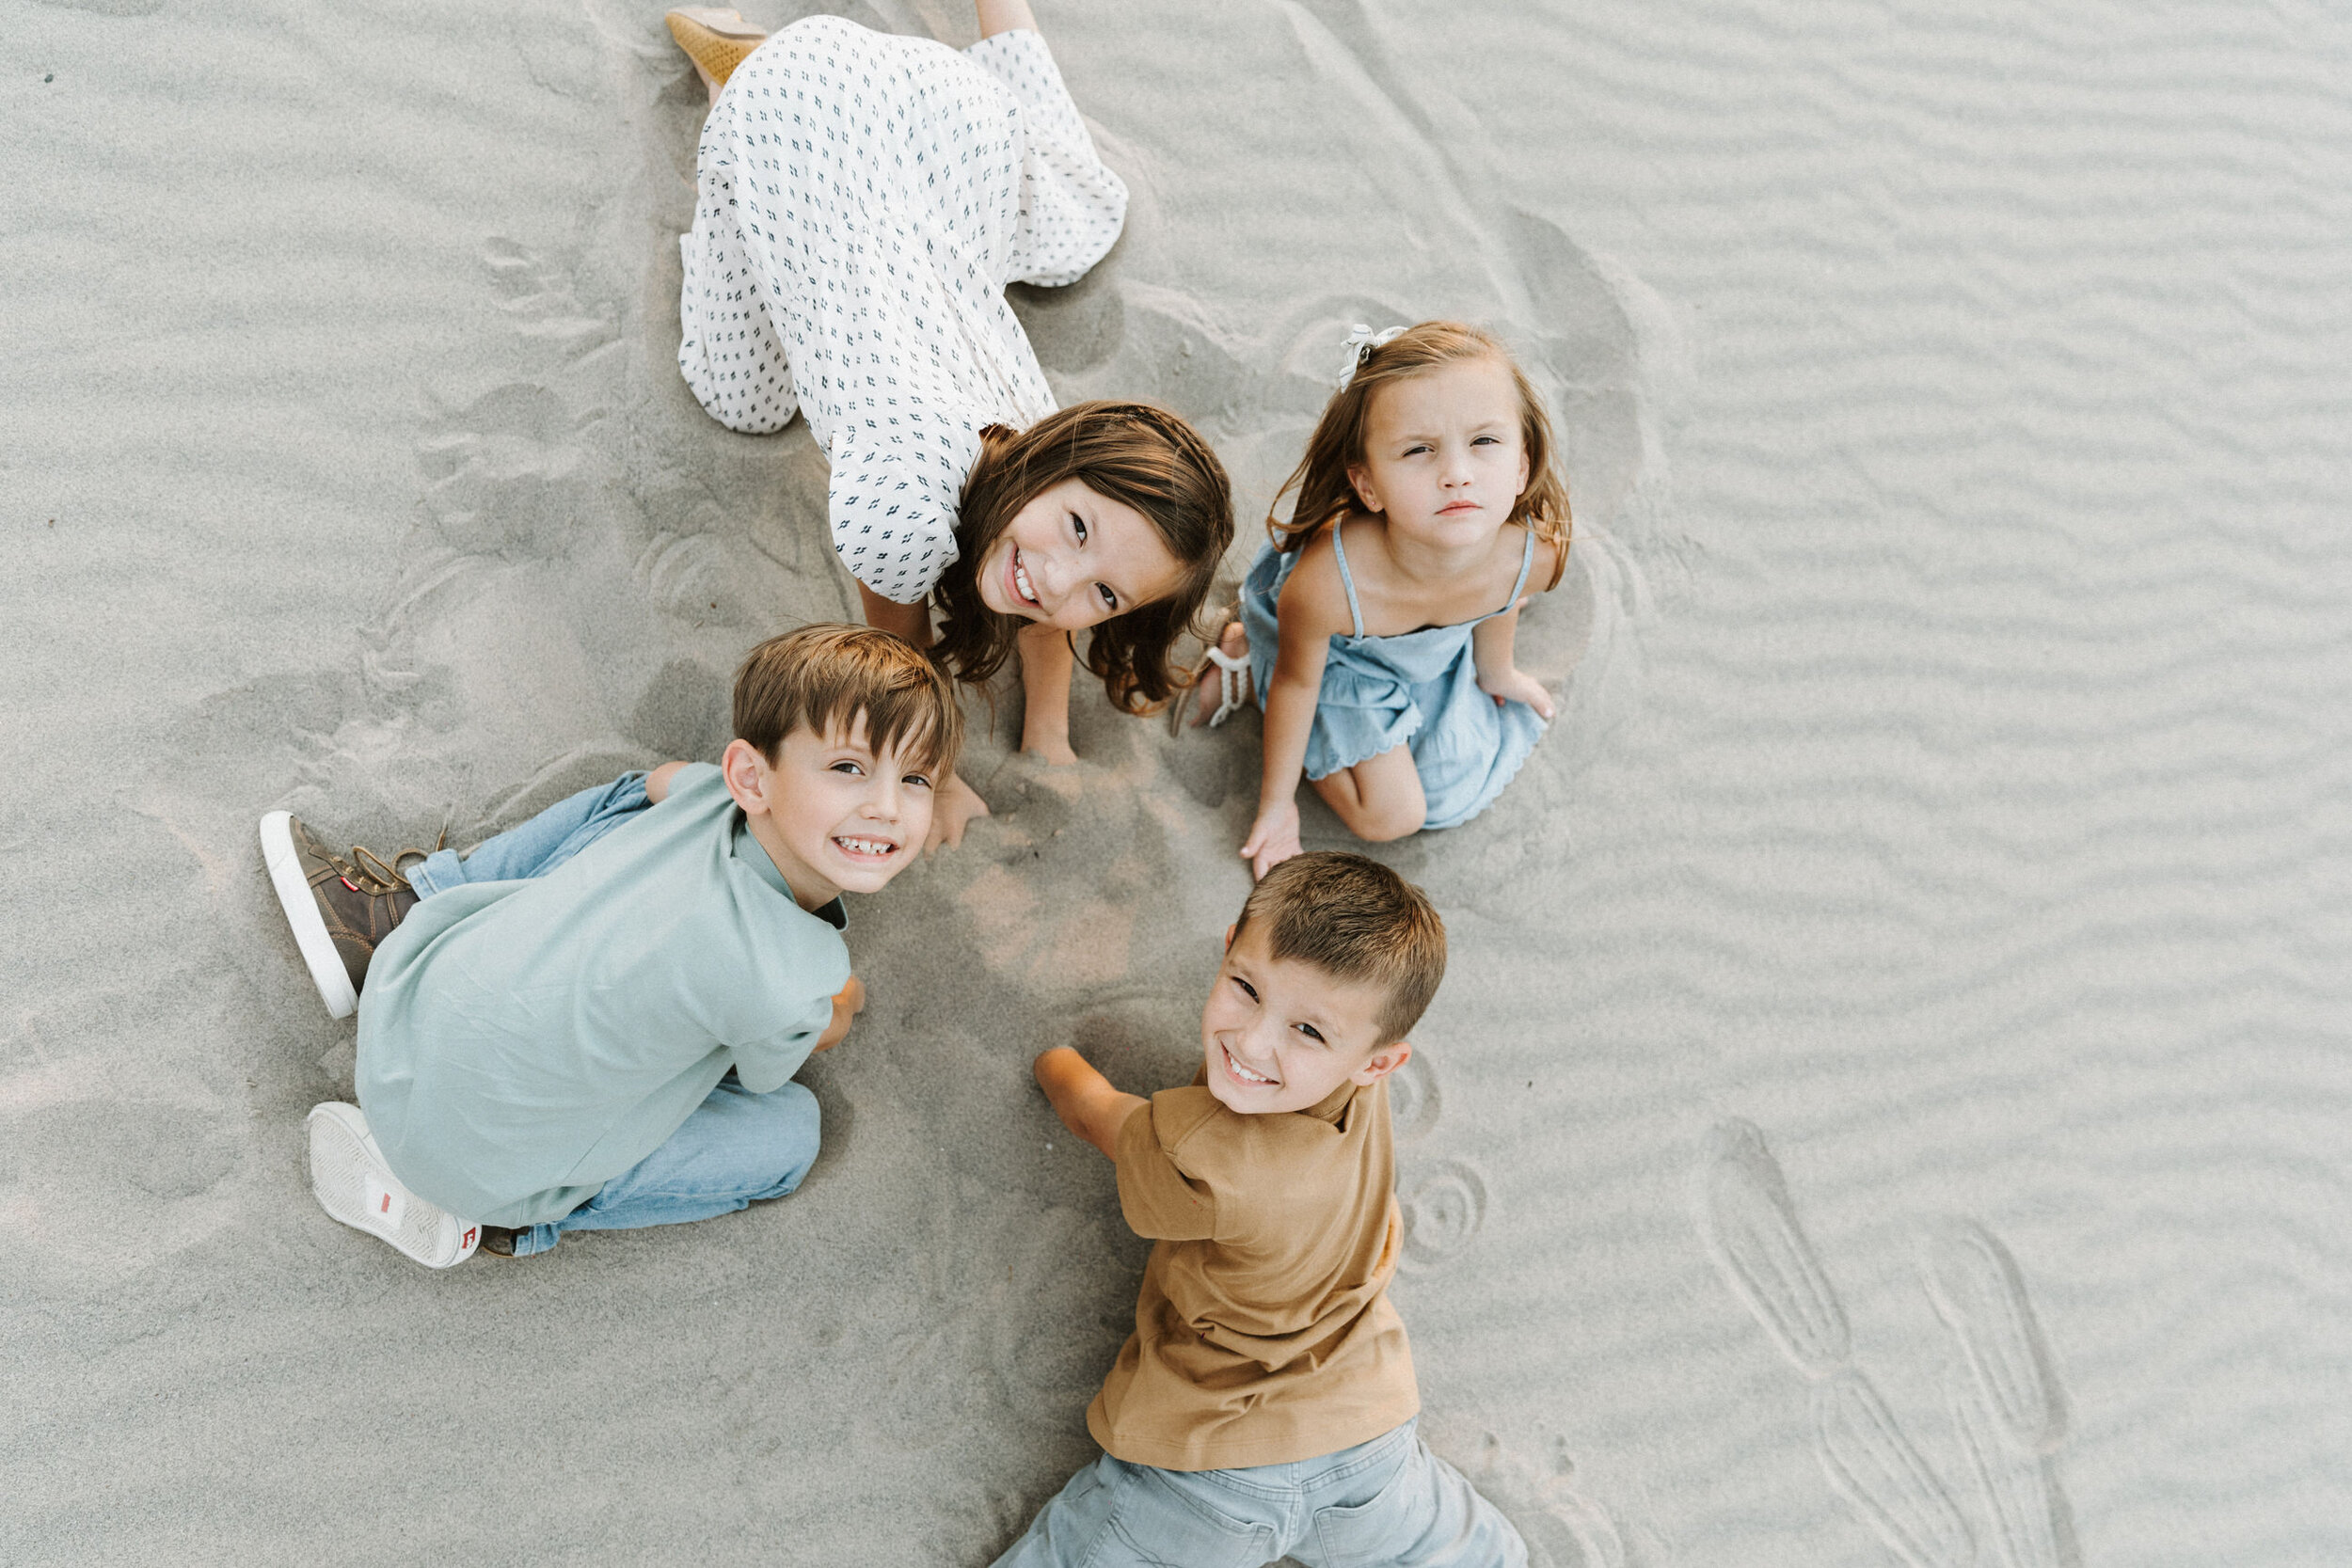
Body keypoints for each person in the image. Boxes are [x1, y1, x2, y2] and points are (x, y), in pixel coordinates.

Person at [664, 2, 1234, 849]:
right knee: (741, 397)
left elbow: (1056, 586)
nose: (1061, 581)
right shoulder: (898, 511)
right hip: (817, 117)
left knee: (1078, 225)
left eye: (1107, 595)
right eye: (1077, 529)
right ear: (1057, 464)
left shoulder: (1050, 472)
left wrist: (1051, 729)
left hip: (933, 137)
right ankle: (740, 82)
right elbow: (901, 663)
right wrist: (942, 773)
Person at [257, 625, 958, 1266]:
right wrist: (840, 1001)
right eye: (849, 768)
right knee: (793, 1135)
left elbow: (658, 781)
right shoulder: (790, 971)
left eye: (916, 778)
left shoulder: (710, 794)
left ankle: (410, 903)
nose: (888, 807)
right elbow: (781, 1062)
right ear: (753, 775)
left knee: (630, 797)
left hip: (403, 1010)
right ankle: (517, 1222)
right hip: (479, 1171)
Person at [1006, 852, 1527, 1566]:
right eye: (1246, 988)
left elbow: (1096, 1114)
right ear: (1227, 950)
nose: (1253, 1042)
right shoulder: (1357, 1073)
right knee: (1473, 1548)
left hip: (1209, 1482)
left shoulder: (1198, 1153)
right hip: (1367, 1444)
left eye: (1305, 1031)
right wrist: (1312, 1036)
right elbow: (1301, 1027)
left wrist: (1054, 1061)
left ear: (1379, 1061)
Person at [1187, 322, 1572, 878]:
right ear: (1368, 486)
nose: (1457, 475)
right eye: (1419, 450)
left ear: (1522, 464)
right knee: (1392, 817)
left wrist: (1498, 673)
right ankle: (1251, 664)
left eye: (1484, 442)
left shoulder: (1534, 559)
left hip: (1420, 657)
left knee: (1449, 786)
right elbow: (1301, 683)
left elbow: (1500, 601)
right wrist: (1278, 804)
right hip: (1339, 661)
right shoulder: (1330, 584)